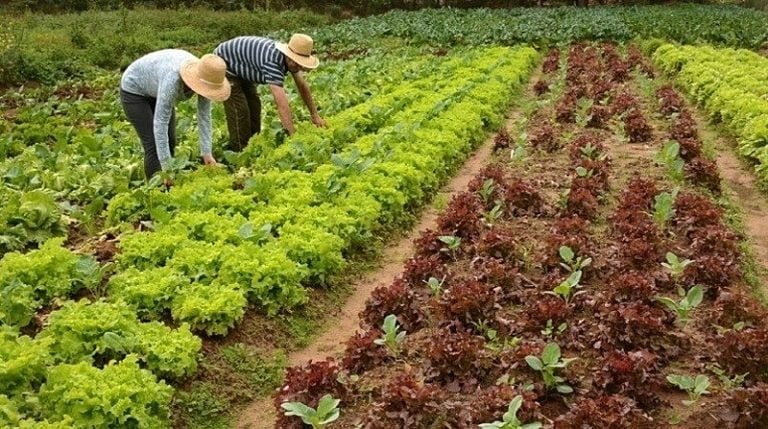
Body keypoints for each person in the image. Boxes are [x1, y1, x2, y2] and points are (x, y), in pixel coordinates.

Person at [120, 50, 231, 178]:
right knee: (154, 145)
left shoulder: (208, 76)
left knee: (171, 139)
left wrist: (206, 152)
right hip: (134, 89)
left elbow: (204, 116)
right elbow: (160, 122)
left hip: (156, 87)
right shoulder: (173, 79)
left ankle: (169, 183)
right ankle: (156, 190)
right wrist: (166, 170)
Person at [214, 33, 327, 151]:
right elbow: (282, 105)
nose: (297, 65)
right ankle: (240, 152)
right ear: (288, 54)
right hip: (224, 64)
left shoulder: (292, 62)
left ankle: (252, 144)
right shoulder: (272, 61)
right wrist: (293, 137)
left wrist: (315, 115)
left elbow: (302, 86)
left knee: (254, 105)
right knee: (240, 110)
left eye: (300, 63)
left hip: (242, 66)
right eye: (295, 61)